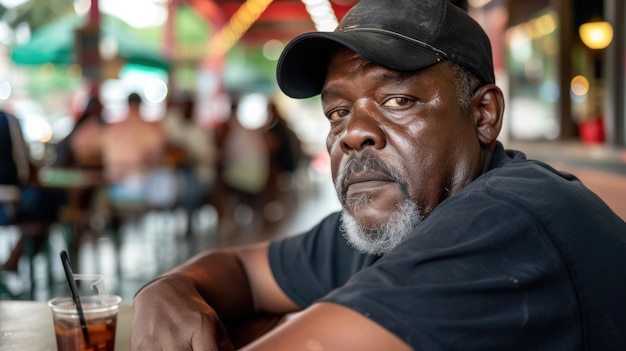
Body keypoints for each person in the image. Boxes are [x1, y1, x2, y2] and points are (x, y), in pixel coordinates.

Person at [131, 0, 626, 350]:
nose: (353, 134)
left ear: (483, 117)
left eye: (397, 101)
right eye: (337, 113)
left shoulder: (511, 221)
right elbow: (242, 271)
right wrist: (167, 289)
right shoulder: (398, 220)